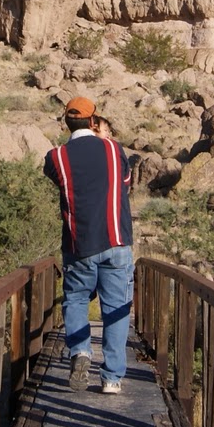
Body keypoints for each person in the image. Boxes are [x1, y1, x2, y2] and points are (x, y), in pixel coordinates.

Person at [43, 96, 134, 394]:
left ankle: (80, 351)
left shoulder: (56, 157)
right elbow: (126, 182)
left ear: (66, 123)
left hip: (78, 243)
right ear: (94, 122)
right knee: (116, 309)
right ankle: (111, 378)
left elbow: (56, 179)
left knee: (76, 300)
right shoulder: (112, 149)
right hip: (116, 239)